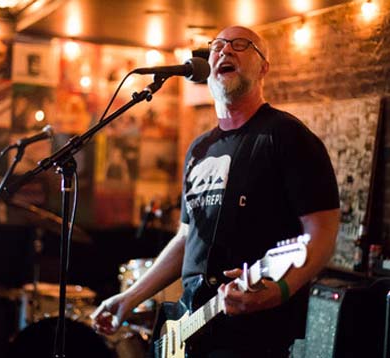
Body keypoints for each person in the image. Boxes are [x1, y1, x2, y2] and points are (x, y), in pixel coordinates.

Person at [91, 25, 340, 357]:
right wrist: (130, 297)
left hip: (252, 337)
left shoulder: (286, 137)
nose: (225, 51)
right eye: (218, 46)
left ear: (264, 67)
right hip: (191, 324)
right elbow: (186, 238)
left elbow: (322, 231)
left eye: (241, 45)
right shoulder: (198, 149)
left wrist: (278, 290)